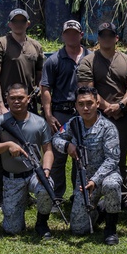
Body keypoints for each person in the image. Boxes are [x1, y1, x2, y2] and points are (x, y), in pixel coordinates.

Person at [77, 21, 127, 211]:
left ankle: (124, 197)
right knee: (89, 156)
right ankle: (85, 193)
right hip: (95, 117)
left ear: (116, 38)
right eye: (102, 35)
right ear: (98, 38)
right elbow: (87, 89)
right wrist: (107, 106)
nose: (106, 38)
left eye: (110, 35)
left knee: (119, 158)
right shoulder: (88, 61)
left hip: (123, 115)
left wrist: (120, 105)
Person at [0, 8, 45, 208]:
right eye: (15, 21)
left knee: (29, 147)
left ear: (28, 23)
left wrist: (37, 90)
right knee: (1, 148)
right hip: (8, 105)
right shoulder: (0, 44)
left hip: (28, 105)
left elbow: (40, 74)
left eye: (23, 21)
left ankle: (26, 187)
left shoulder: (36, 46)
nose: (19, 24)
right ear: (9, 24)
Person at [0, 83, 57, 239]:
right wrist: (7, 145)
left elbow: (48, 151)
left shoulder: (39, 123)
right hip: (11, 178)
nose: (16, 101)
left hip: (33, 173)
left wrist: (45, 171)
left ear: (28, 99)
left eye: (20, 98)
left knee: (47, 187)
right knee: (12, 230)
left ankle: (42, 223)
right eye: (12, 98)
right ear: (7, 100)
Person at [52, 87, 124, 243]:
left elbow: (112, 159)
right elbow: (56, 139)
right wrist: (67, 146)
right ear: (76, 106)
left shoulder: (108, 127)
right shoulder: (73, 124)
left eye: (89, 103)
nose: (85, 108)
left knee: (112, 185)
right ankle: (100, 209)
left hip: (106, 175)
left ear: (97, 103)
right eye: (81, 104)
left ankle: (111, 229)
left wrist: (95, 180)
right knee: (78, 230)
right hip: (83, 179)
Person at [40, 20, 89, 203]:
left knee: (81, 155)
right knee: (58, 156)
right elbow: (45, 88)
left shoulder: (90, 57)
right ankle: (57, 195)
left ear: (81, 35)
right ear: (62, 36)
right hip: (61, 113)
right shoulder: (54, 60)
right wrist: (49, 115)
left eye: (75, 33)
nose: (71, 36)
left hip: (84, 113)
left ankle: (80, 193)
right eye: (67, 33)